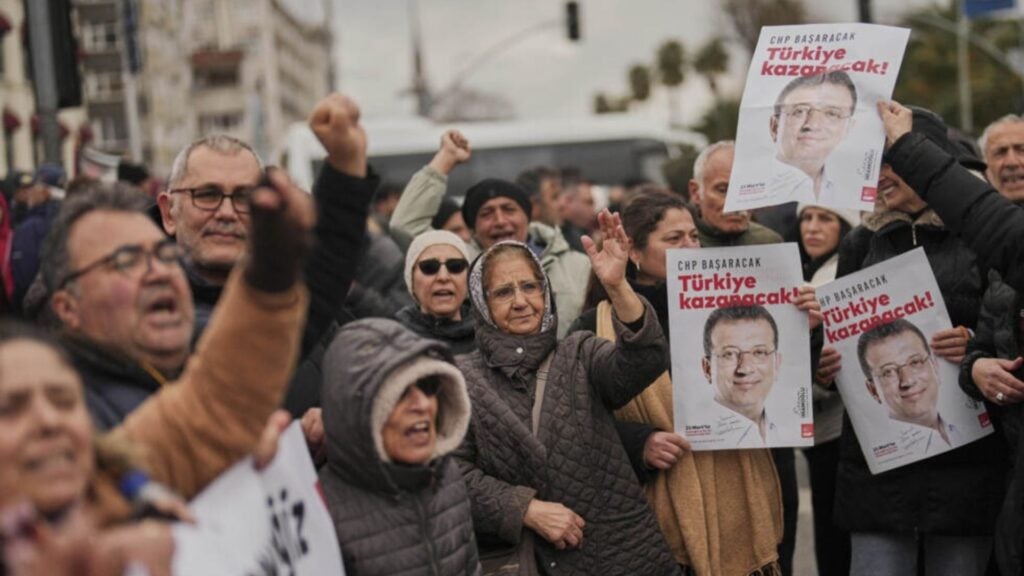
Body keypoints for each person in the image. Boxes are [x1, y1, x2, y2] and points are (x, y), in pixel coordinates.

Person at [0, 163, 312, 574]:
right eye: (12, 409)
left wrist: (272, 267)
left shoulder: (106, 482)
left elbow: (214, 407)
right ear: (67, 308)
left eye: (64, 401)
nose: (48, 421)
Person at [825, 105, 1005, 576]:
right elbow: (835, 341)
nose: (881, 174)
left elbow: (1007, 326)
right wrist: (823, 363)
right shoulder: (860, 243)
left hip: (969, 462)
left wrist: (976, 345)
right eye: (874, 163)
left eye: (892, 160)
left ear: (927, 157)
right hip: (877, 468)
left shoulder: (981, 237)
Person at [453, 212, 679, 575]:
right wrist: (523, 509)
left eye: (530, 287)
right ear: (481, 304)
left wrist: (619, 287)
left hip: (617, 556)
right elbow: (451, 472)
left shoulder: (579, 353)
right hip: (531, 561)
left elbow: (645, 359)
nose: (521, 301)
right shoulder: (463, 380)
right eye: (503, 292)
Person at [155, 93, 375, 416]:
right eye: (207, 194)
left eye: (245, 196)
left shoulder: (304, 309)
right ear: (169, 213)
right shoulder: (140, 317)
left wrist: (333, 438)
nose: (227, 212)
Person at [390, 130, 591, 338]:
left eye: (509, 209)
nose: (500, 221)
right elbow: (405, 225)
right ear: (473, 229)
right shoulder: (459, 265)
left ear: (527, 217)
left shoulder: (577, 265)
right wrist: (445, 160)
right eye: (487, 213)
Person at [318, 318, 479, 576]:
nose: (424, 404)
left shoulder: (447, 476)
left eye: (428, 385)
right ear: (357, 410)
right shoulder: (320, 512)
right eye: (400, 391)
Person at [797, 202, 857, 576]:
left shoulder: (840, 277)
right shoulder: (810, 273)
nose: (813, 228)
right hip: (816, 430)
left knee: (837, 540)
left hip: (838, 429)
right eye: (806, 217)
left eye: (826, 218)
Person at [858, 319, 965, 455]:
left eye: (915, 362)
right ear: (873, 390)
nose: (907, 380)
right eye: (888, 372)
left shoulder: (962, 429)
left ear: (934, 365)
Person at [767, 71, 857, 205]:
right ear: (775, 126)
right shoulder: (750, 200)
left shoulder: (851, 194)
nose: (813, 125)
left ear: (848, 129)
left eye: (832, 114)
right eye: (799, 111)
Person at [702, 306, 783, 448]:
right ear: (707, 368)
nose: (745, 368)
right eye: (729, 354)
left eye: (759, 352)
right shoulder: (693, 436)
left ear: (776, 363)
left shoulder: (783, 432)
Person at [688, 141, 783, 247]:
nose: (737, 204)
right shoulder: (681, 246)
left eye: (746, 190)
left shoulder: (769, 244)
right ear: (696, 192)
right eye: (723, 190)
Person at [395, 230, 476, 355]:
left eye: (455, 266)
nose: (443, 277)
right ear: (411, 279)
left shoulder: (491, 337)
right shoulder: (394, 340)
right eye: (429, 267)